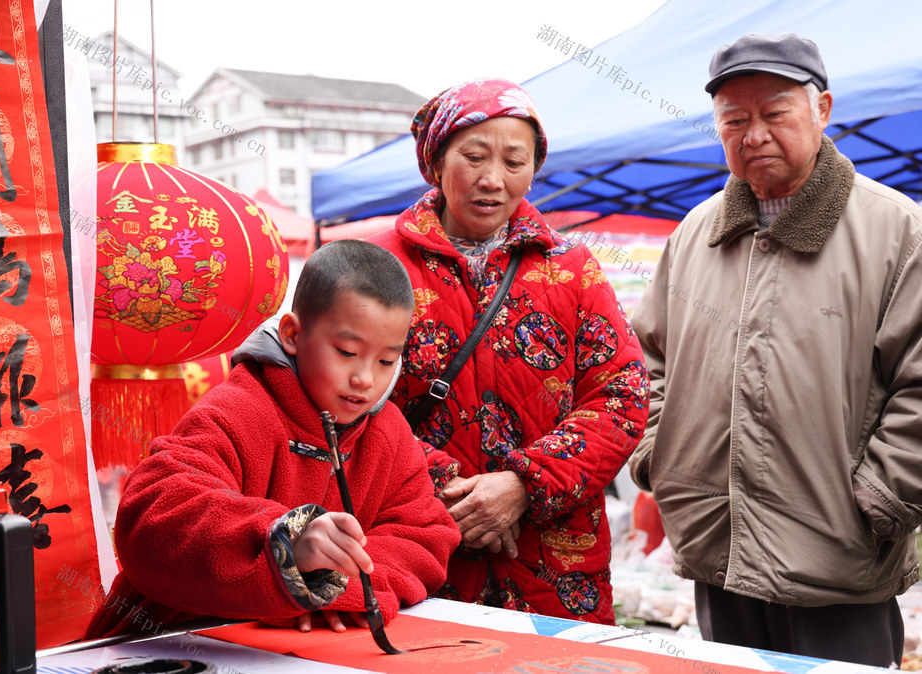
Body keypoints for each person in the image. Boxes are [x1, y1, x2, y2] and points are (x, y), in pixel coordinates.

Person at [629, 33, 922, 667]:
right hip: (717, 550)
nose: (753, 133)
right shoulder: (696, 234)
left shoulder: (896, 230)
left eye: (774, 113)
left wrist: (879, 501)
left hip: (837, 555)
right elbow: (645, 359)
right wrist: (661, 455)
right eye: (734, 119)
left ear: (822, 110)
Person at [371, 78, 649, 624]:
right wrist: (451, 492)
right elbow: (340, 400)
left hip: (553, 563)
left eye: (515, 162)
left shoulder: (572, 269)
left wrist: (524, 484)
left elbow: (622, 395)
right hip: (419, 547)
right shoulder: (376, 266)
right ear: (436, 162)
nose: (493, 180)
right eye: (473, 157)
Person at [84, 240, 460, 638]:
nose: (365, 379)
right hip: (178, 644)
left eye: (387, 361)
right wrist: (286, 544)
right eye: (347, 351)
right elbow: (153, 512)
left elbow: (425, 535)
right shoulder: (241, 408)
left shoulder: (389, 433)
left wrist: (328, 584)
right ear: (293, 334)